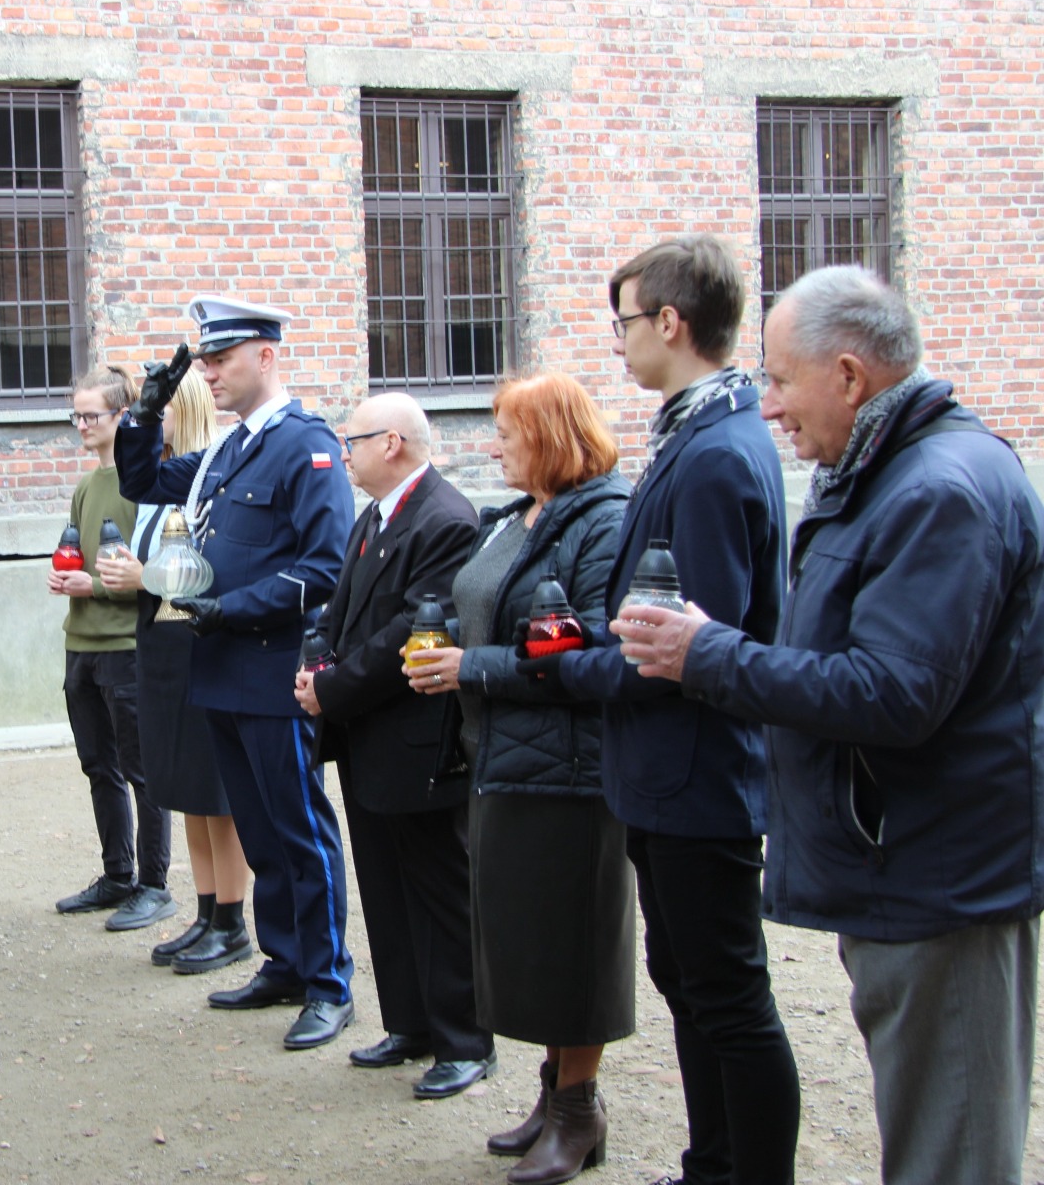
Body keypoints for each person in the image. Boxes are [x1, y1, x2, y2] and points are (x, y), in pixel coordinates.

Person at [617, 266, 1044, 1185]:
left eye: (778, 379)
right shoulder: (894, 474)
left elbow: (893, 695)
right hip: (910, 864)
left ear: (849, 377)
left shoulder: (940, 491)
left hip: (941, 876)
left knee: (951, 1148)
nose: (767, 408)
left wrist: (709, 654)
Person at [526, 236, 800, 1185]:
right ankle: (711, 1163)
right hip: (666, 771)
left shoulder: (719, 451)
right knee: (691, 988)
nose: (620, 342)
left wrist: (567, 671)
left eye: (627, 322)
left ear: (671, 323)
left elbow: (689, 649)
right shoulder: (696, 432)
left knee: (727, 997)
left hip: (696, 774)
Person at [405, 373, 635, 1185]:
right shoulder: (515, 518)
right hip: (501, 757)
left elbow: (595, 652)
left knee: (575, 950)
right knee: (530, 951)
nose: (493, 444)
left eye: (506, 430)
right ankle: (553, 1095)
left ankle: (580, 1111)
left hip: (570, 773)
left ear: (549, 434)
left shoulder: (603, 521)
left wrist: (475, 665)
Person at [115, 295, 356, 1051]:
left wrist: (231, 608)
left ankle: (328, 982)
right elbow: (143, 480)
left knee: (300, 831)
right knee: (258, 830)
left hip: (273, 672)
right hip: (218, 668)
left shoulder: (304, 445)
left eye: (222, 360)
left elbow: (325, 567)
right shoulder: (227, 449)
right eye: (205, 362)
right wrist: (143, 412)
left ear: (267, 357)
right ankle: (283, 960)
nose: (209, 373)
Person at [290, 392, 495, 1099]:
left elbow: (415, 627)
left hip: (418, 737)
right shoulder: (375, 516)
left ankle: (464, 1038)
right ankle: (411, 1022)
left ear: (395, 444)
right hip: (368, 733)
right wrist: (318, 671)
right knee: (384, 885)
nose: (342, 452)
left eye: (354, 440)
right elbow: (348, 615)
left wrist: (336, 685)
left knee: (439, 890)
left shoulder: (445, 519)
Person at [96, 379, 255, 973]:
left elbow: (207, 571)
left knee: (216, 794)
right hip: (159, 645)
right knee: (185, 789)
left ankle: (232, 920)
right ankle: (206, 911)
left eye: (153, 410)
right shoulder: (164, 479)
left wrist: (144, 577)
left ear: (178, 412)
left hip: (195, 638)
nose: (141, 421)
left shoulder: (208, 480)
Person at [48, 366, 175, 932]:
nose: (82, 425)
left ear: (121, 417)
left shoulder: (142, 483)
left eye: (91, 415)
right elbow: (76, 555)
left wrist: (93, 586)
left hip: (126, 647)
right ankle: (116, 875)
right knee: (99, 766)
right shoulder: (87, 485)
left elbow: (153, 573)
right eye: (76, 415)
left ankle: (154, 884)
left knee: (142, 770)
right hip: (82, 644)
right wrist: (67, 579)